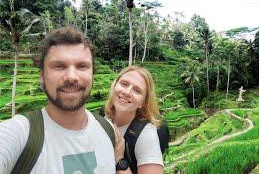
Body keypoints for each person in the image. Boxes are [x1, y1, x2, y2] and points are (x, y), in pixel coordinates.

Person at [0, 27, 116, 173]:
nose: (72, 76)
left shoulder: (108, 130)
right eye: (59, 66)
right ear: (42, 76)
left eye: (82, 66)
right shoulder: (19, 133)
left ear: (92, 74)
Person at [104, 65, 164, 174]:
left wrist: (119, 159)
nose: (127, 92)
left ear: (143, 103)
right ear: (115, 86)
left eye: (137, 91)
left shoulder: (146, 135)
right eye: (124, 84)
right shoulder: (103, 119)